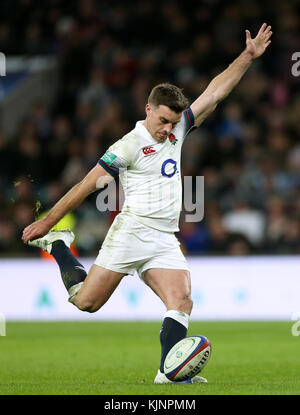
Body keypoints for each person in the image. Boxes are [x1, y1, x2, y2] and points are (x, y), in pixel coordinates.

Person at [22, 24, 272, 384]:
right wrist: (47, 223)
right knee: (86, 303)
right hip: (132, 231)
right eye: (163, 121)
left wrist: (247, 57)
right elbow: (86, 185)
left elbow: (215, 92)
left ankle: (167, 374)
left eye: (173, 123)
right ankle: (60, 244)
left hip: (164, 236)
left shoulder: (178, 129)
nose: (168, 130)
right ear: (148, 110)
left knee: (182, 299)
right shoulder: (128, 145)